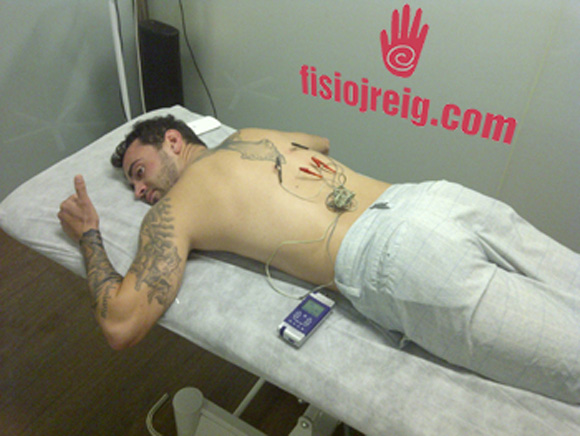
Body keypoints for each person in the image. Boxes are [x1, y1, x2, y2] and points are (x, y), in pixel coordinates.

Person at [58, 115, 580, 404]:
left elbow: (121, 323)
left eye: (140, 171)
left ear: (174, 141)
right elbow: (320, 142)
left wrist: (89, 235)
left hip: (397, 258)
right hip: (437, 198)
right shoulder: (252, 135)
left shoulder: (176, 209)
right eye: (132, 185)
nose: (139, 191)